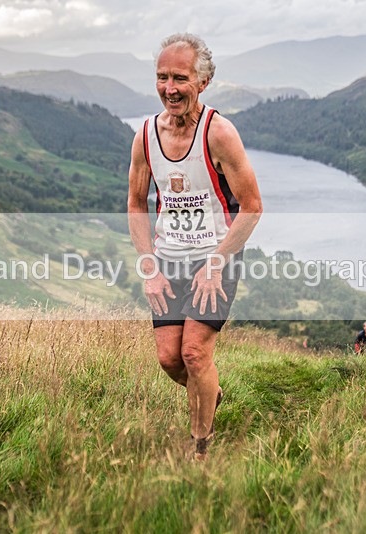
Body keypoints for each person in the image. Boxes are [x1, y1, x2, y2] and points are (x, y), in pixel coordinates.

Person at [127, 33, 263, 460]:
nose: (170, 88)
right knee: (170, 359)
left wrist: (216, 264)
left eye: (180, 78)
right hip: (168, 259)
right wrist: (149, 267)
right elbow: (135, 203)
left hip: (215, 259)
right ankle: (210, 394)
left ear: (203, 82)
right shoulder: (146, 135)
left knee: (194, 351)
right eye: (162, 77)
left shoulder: (219, 133)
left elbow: (253, 207)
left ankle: (201, 448)